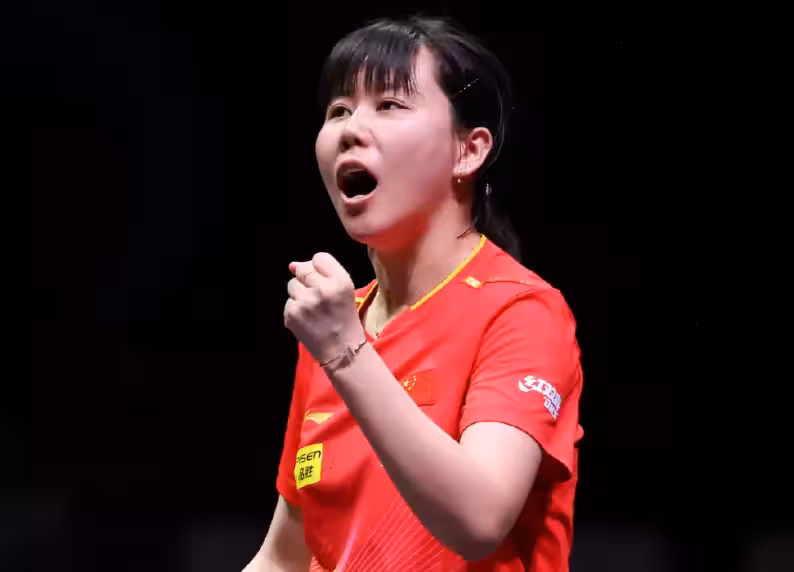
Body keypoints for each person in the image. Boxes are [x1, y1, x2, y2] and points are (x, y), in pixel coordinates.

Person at [244, 14, 583, 572]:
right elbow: (284, 558)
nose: (352, 128)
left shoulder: (521, 313)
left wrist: (346, 353)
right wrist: (341, 346)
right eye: (339, 110)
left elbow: (479, 521)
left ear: (467, 151)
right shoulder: (338, 326)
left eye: (389, 105)